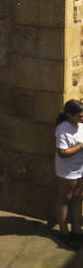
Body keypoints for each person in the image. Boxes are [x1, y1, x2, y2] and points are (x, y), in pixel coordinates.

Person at [52, 100, 83, 247]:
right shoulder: (62, 129)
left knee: (78, 198)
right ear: (69, 115)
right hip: (67, 170)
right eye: (80, 116)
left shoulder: (81, 126)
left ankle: (77, 230)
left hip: (80, 169)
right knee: (65, 198)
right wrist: (81, 145)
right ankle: (63, 231)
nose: (82, 118)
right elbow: (63, 152)